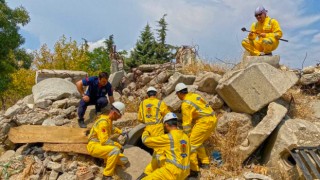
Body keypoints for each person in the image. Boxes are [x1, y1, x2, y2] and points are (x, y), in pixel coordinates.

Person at [175, 83, 218, 177]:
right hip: (212, 119)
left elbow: (186, 123)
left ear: (179, 93)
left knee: (190, 145)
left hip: (204, 122)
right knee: (198, 142)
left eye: (177, 94)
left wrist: (186, 134)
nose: (177, 97)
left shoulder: (185, 103)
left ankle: (194, 171)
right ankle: (205, 162)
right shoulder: (195, 95)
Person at [141, 112, 190, 180]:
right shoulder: (185, 136)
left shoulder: (169, 137)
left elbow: (145, 140)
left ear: (166, 124)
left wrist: (147, 131)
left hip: (172, 172)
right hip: (185, 173)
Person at [87, 101, 128, 180]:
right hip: (94, 146)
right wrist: (118, 145)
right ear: (115, 113)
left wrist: (121, 132)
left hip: (102, 147)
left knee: (124, 160)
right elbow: (104, 141)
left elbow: (112, 129)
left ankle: (105, 160)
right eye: (120, 115)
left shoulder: (108, 120)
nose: (120, 118)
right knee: (115, 150)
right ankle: (106, 175)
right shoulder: (103, 123)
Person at [137, 87, 170, 178]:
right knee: (160, 150)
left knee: (156, 151)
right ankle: (165, 170)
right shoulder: (160, 102)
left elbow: (140, 118)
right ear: (156, 94)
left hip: (147, 128)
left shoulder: (142, 103)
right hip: (157, 127)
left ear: (147, 95)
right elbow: (168, 115)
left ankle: (149, 171)